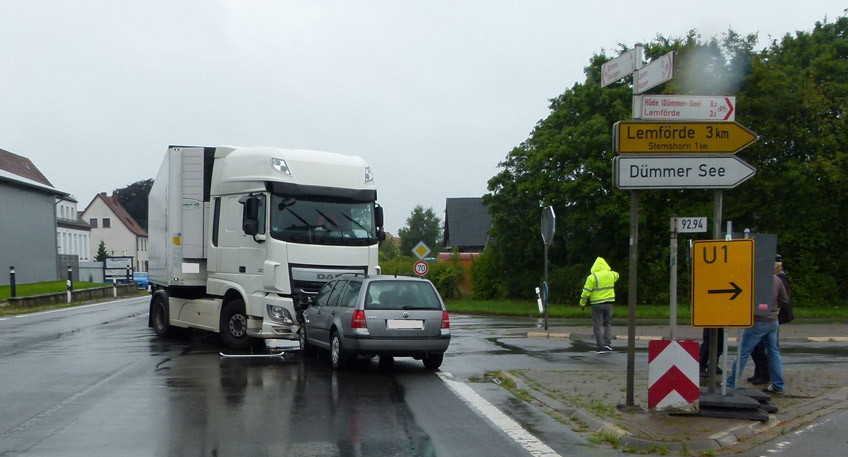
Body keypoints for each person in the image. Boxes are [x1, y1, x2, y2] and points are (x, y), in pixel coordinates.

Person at [727, 271, 790, 394]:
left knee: (743, 352)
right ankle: (778, 385)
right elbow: (784, 299)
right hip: (773, 321)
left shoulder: (753, 279)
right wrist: (774, 309)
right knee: (774, 352)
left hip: (757, 321)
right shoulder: (776, 279)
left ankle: (731, 383)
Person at [748, 257, 793, 385]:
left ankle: (764, 374)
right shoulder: (779, 279)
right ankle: (764, 374)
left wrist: (772, 309)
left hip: (768, 318)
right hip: (772, 318)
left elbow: (780, 298)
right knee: (767, 349)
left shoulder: (778, 279)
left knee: (761, 348)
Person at [579, 257, 619, 353]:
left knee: (597, 326)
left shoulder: (592, 277)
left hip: (597, 304)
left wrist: (582, 303)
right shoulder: (612, 275)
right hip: (609, 304)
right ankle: (607, 344)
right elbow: (617, 275)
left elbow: (586, 292)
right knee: (608, 324)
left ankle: (600, 347)